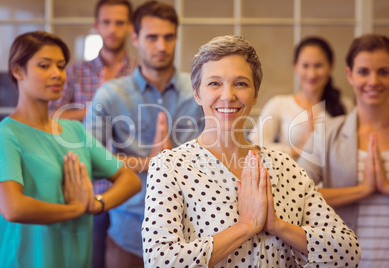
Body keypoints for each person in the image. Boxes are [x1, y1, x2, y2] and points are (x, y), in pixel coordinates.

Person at [142, 35, 361, 267]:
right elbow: (159, 261)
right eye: (214, 83)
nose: (228, 96)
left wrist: (278, 226)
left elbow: (347, 253)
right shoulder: (169, 167)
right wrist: (245, 225)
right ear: (197, 93)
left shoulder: (286, 167)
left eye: (241, 83)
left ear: (255, 94)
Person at [0, 31, 141, 268]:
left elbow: (129, 180)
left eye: (60, 66)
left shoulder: (73, 132)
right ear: (18, 71)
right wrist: (75, 209)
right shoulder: (3, 135)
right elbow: (13, 208)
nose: (57, 74)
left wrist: (96, 203)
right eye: (44, 65)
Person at [84, 1, 204, 267]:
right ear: (135, 38)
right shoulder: (110, 94)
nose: (161, 46)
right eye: (152, 37)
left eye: (168, 37)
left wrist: (174, 161)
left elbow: (221, 154)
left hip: (193, 234)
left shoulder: (201, 92)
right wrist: (149, 163)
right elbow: (89, 159)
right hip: (128, 234)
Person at [48, 1, 137, 266]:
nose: (112, 29)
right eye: (107, 22)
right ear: (96, 25)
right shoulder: (74, 73)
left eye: (120, 22)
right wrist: (94, 107)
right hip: (88, 186)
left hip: (132, 189)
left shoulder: (140, 74)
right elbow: (50, 116)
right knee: (91, 260)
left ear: (130, 27)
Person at [297, 34, 389, 267]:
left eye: (383, 72)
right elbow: (295, 194)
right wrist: (362, 190)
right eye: (363, 71)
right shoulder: (325, 134)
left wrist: (385, 188)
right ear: (349, 75)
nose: (373, 81)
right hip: (344, 261)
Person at [248, 36, 354, 158]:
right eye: (305, 65)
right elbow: (256, 145)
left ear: (331, 66)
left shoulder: (346, 106)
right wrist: (296, 151)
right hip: (289, 176)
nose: (312, 73)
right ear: (295, 67)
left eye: (318, 65)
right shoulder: (279, 104)